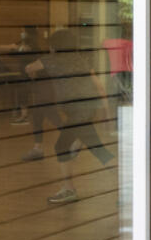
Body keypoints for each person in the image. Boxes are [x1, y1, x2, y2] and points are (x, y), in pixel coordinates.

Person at [24, 28, 115, 204]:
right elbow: (100, 87)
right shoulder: (80, 60)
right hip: (88, 110)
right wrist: (107, 114)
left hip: (77, 113)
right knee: (99, 151)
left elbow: (29, 67)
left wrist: (32, 74)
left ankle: (69, 189)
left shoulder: (50, 60)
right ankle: (128, 182)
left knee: (61, 146)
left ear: (54, 46)